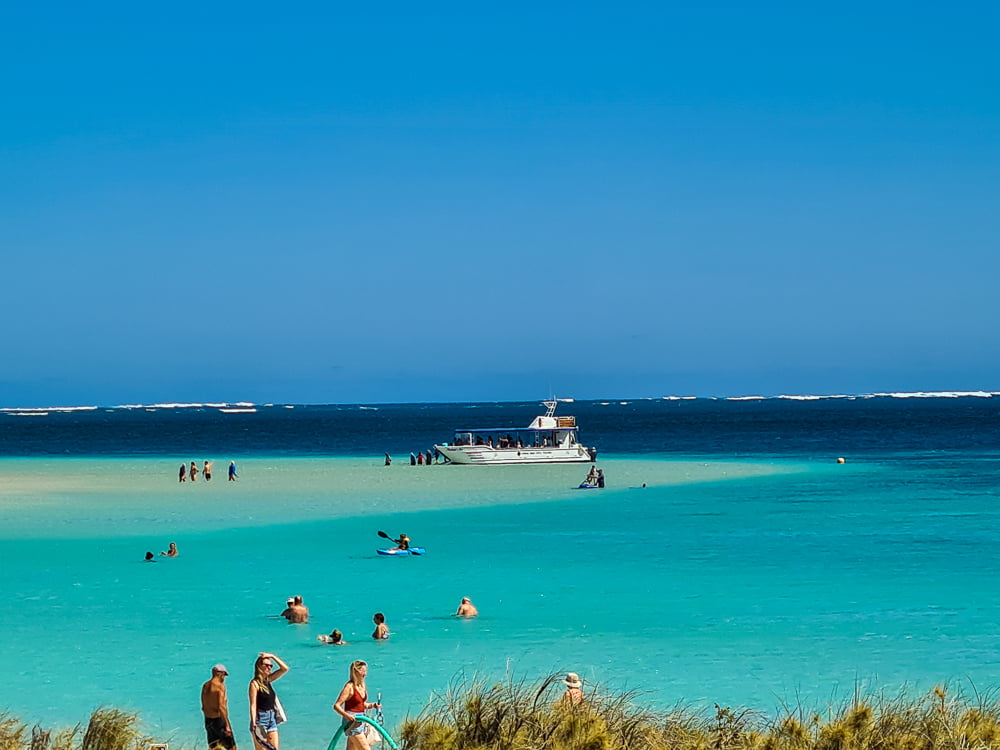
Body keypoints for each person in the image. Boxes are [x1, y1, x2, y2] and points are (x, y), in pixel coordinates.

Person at [333, 660, 381, 750]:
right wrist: (347, 715)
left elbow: (360, 705)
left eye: (366, 671)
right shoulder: (349, 687)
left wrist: (373, 705)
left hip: (361, 721)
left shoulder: (362, 685)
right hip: (352, 724)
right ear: (356, 672)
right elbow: (337, 706)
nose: (365, 674)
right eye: (363, 671)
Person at [248, 652, 288, 750]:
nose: (269, 667)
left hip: (271, 719)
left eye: (271, 665)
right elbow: (253, 705)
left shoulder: (268, 680)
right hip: (261, 720)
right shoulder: (255, 684)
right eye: (266, 665)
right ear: (259, 667)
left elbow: (285, 669)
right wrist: (254, 722)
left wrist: (272, 656)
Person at [201, 663, 236, 750]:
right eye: (224, 675)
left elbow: (203, 707)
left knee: (214, 747)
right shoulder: (220, 687)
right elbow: (221, 707)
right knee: (232, 747)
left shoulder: (205, 686)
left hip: (208, 720)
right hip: (219, 721)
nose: (224, 678)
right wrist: (227, 725)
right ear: (220, 673)